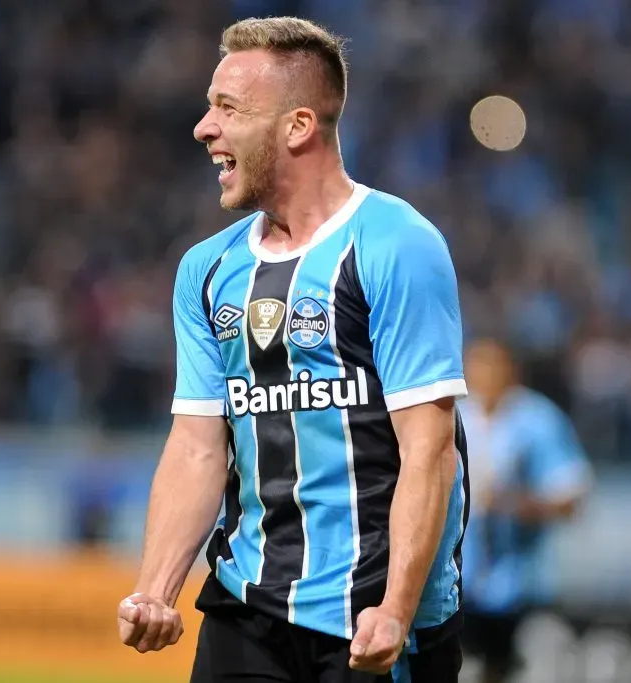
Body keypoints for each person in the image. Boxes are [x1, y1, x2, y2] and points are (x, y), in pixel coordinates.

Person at [117, 16, 469, 683]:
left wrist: (394, 608)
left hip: (373, 622)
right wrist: (155, 590)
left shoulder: (395, 244)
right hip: (248, 603)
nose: (203, 127)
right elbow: (197, 444)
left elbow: (430, 448)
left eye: (227, 108)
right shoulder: (207, 269)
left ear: (298, 126)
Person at [458, 338, 591, 683]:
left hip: (520, 584)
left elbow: (571, 498)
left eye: (491, 365)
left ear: (511, 371)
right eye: (475, 364)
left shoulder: (538, 420)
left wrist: (513, 504)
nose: (481, 374)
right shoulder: (457, 414)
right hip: (461, 579)